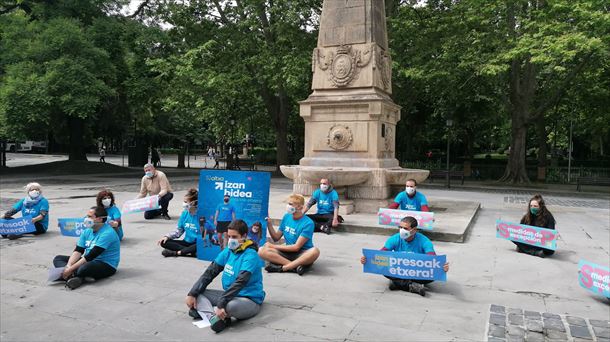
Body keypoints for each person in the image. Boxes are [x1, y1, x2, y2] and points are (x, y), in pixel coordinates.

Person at [185, 220, 265, 333]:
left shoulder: (250, 255)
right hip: (229, 295)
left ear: (244, 236)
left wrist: (221, 303)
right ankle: (216, 318)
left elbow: (240, 282)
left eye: (234, 236)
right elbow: (210, 272)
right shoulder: (228, 251)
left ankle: (210, 312)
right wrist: (192, 293)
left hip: (249, 299)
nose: (231, 239)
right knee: (198, 293)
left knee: (230, 306)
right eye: (229, 236)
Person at [360, 216, 449, 296]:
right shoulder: (395, 238)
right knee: (384, 268)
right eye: (400, 227)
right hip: (399, 270)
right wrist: (368, 259)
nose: (401, 230)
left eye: (405, 228)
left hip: (417, 272)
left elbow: (432, 258)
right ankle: (412, 286)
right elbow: (381, 254)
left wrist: (441, 267)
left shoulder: (424, 241)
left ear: (414, 230)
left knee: (432, 276)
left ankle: (397, 283)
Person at [52, 206, 120, 290]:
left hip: (106, 264)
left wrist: (71, 269)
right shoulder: (87, 230)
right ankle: (78, 277)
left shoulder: (107, 233)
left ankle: (73, 276)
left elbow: (91, 255)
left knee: (83, 268)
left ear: (99, 219)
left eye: (90, 217)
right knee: (58, 259)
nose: (86, 219)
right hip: (89, 261)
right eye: (87, 216)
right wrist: (68, 266)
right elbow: (78, 250)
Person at [258, 194, 320, 276]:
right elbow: (276, 238)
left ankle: (283, 268)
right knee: (261, 250)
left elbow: (296, 247)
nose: (288, 206)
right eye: (288, 204)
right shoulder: (286, 217)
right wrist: (269, 224)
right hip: (286, 251)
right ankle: (295, 267)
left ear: (300, 207)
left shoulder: (308, 223)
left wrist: (273, 246)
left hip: (302, 253)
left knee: (315, 251)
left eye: (290, 204)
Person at [157, 189, 201, 257]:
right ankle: (189, 252)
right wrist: (167, 236)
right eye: (184, 201)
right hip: (186, 242)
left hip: (197, 243)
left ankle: (177, 253)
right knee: (164, 242)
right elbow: (179, 231)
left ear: (194, 203)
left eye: (186, 202)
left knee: (200, 245)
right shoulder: (184, 214)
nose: (184, 204)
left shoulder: (203, 215)